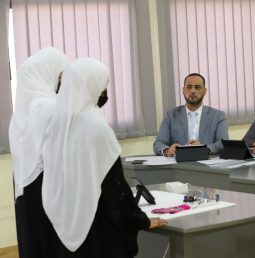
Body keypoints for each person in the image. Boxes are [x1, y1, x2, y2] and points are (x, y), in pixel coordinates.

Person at [42, 58, 167, 257]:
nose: (104, 92)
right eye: (103, 86)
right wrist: (140, 220)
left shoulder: (57, 124)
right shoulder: (95, 125)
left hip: (65, 221)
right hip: (98, 228)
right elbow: (114, 186)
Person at [8, 47, 69, 258]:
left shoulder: (18, 116)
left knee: (32, 242)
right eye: (60, 75)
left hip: (25, 189)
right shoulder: (51, 107)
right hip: (51, 188)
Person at [153, 73, 229, 156]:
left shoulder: (218, 116)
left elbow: (222, 143)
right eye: (189, 87)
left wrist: (203, 148)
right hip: (179, 165)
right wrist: (167, 150)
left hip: (207, 164)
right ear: (183, 90)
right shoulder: (171, 115)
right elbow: (159, 143)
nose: (193, 91)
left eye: (197, 87)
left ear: (205, 91)